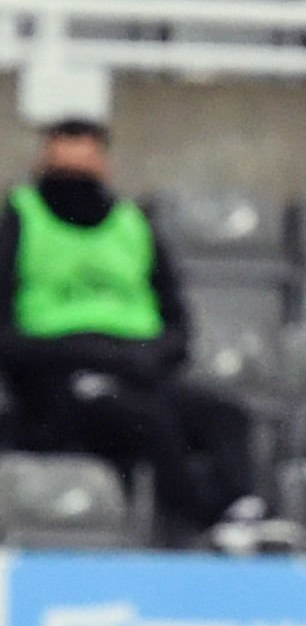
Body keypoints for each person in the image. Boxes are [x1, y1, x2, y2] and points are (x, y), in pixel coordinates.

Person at [0, 119, 264, 541]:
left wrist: (147, 357)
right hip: (60, 374)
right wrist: (79, 355)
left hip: (136, 368)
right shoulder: (20, 220)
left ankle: (242, 512)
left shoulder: (132, 223)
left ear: (105, 164)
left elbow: (176, 323)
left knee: (224, 415)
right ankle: (194, 524)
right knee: (147, 422)